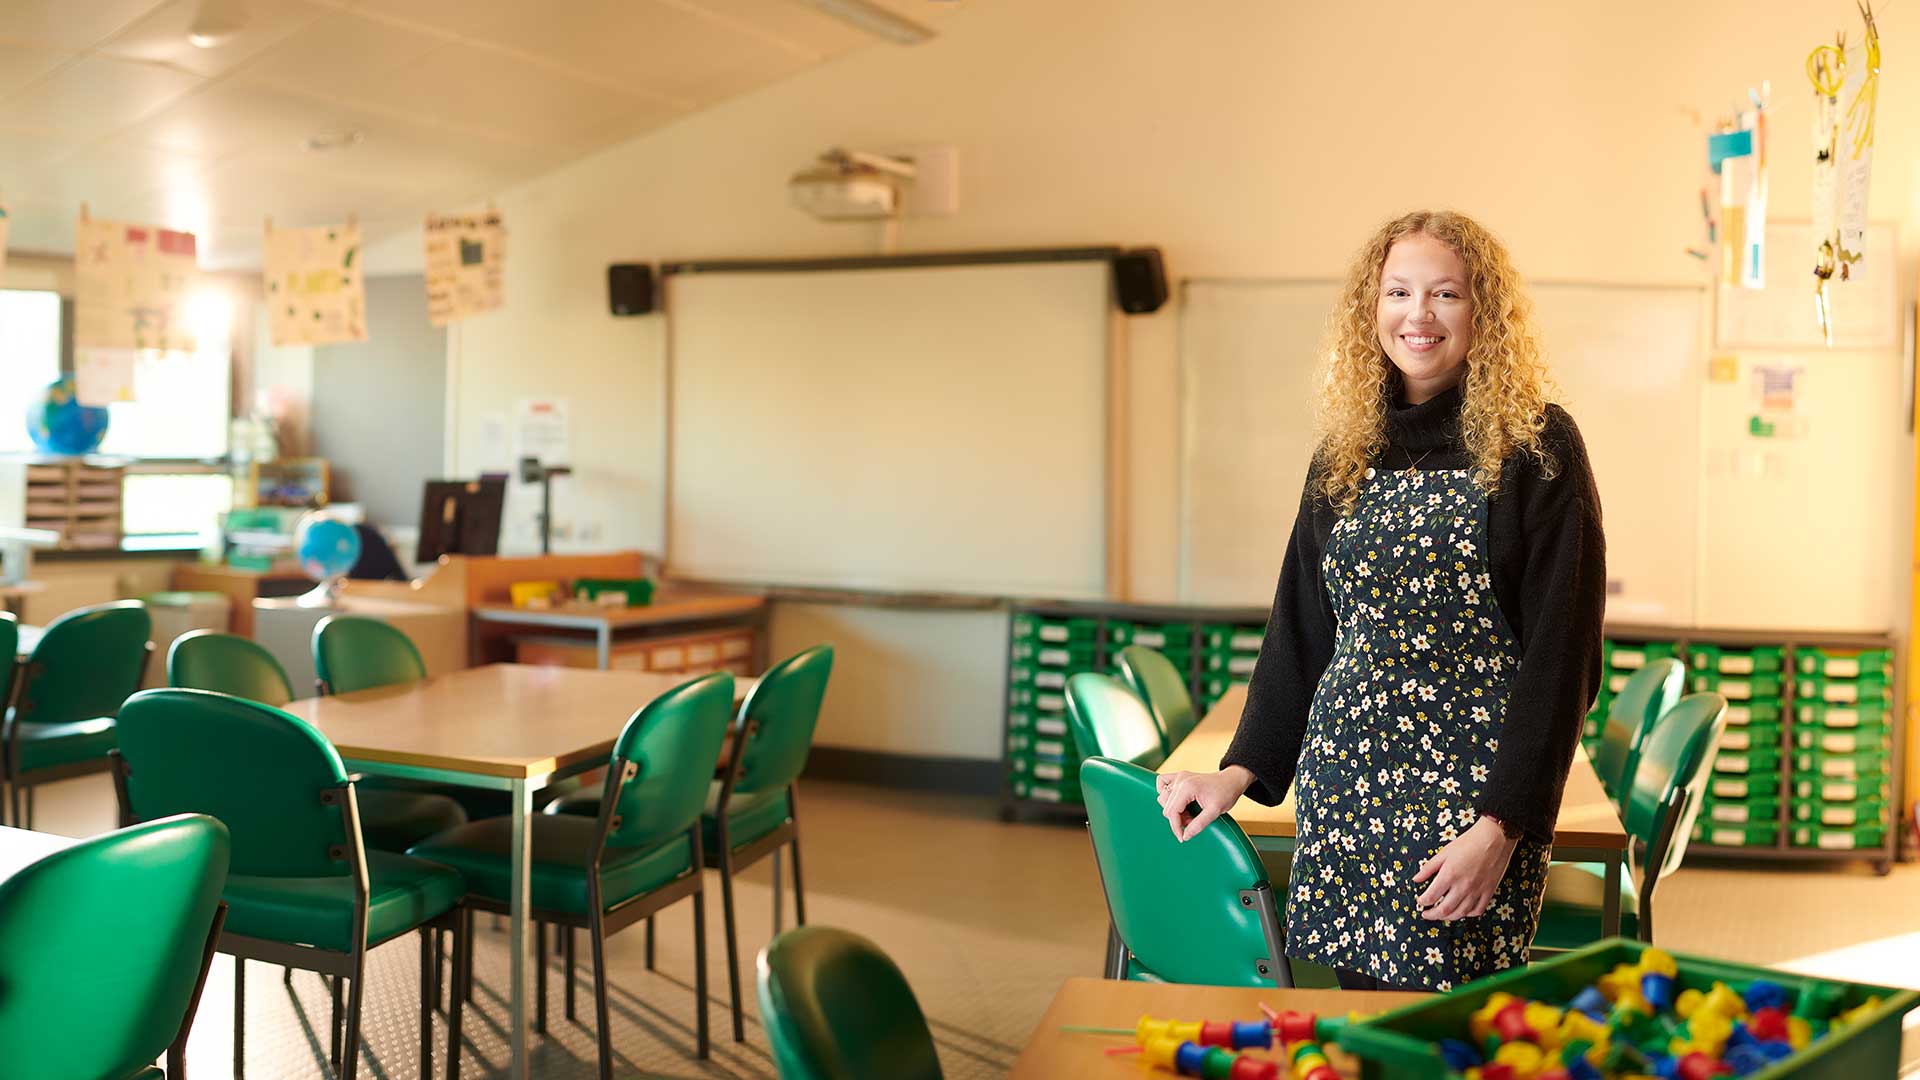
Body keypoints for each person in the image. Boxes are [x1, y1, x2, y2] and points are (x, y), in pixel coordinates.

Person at [1155, 210, 1605, 991]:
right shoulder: (1345, 451)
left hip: (1475, 798)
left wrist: (1503, 827)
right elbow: (1301, 629)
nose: (1418, 315)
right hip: (1347, 788)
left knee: (1449, 1030)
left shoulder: (1539, 444)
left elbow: (1562, 658)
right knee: (1366, 1024)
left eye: (1446, 295)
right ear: (1373, 310)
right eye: (1398, 292)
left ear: (1484, 314)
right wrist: (1237, 772)